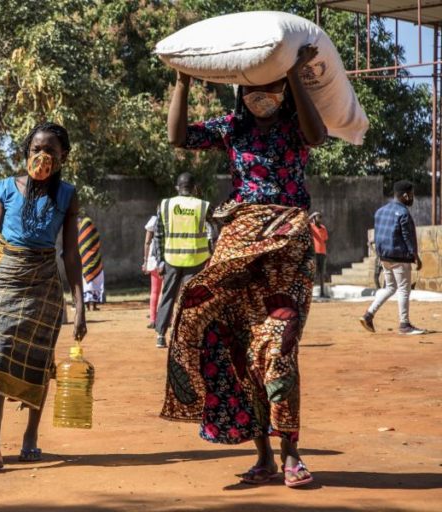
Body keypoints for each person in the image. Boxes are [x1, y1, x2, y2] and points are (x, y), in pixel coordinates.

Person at [161, 45, 327, 488]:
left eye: (270, 86)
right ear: (240, 91)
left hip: (286, 249)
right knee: (237, 346)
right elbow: (179, 137)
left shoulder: (296, 126)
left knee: (280, 347)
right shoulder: (232, 129)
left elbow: (317, 135)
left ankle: (292, 454)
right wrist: (183, 79)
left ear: (283, 88)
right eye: (253, 88)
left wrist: (292, 74)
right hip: (239, 245)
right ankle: (264, 457)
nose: (261, 96)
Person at [0, 122, 87, 470]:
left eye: (51, 152)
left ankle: (30, 435)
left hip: (44, 284)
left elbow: (71, 254)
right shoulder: (5, 188)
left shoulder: (67, 195)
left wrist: (79, 305)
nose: (42, 157)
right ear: (26, 152)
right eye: (36, 150)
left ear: (63, 158)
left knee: (39, 360)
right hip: (5, 279)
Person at [153, 172, 212, 349]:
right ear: (194, 188)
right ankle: (188, 336)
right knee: (191, 298)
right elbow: (215, 229)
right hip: (196, 259)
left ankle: (161, 335)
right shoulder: (202, 206)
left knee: (168, 295)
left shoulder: (166, 205)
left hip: (171, 259)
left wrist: (159, 260)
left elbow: (158, 234)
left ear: (177, 187)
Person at [360, 181, 426, 335]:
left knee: (390, 288)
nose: (412, 198)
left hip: (384, 257)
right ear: (404, 195)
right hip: (400, 257)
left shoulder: (380, 211)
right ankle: (404, 325)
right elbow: (407, 236)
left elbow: (378, 235)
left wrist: (379, 255)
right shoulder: (403, 213)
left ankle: (368, 315)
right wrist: (415, 256)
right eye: (411, 194)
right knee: (404, 289)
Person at [78, 214, 105, 311]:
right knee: (94, 283)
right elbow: (98, 241)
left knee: (87, 284)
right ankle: (93, 305)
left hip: (85, 262)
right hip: (95, 260)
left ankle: (88, 306)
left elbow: (80, 247)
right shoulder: (94, 232)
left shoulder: (80, 234)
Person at [143, 215, 162, 329]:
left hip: (154, 260)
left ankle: (153, 319)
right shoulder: (170, 218)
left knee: (154, 291)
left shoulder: (153, 220)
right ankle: (165, 319)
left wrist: (145, 261)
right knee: (165, 292)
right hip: (167, 259)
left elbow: (147, 242)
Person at [309, 212, 329, 298]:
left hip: (323, 253)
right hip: (315, 253)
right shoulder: (311, 227)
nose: (320, 218)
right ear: (314, 218)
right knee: (314, 273)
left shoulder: (323, 228)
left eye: (321, 217)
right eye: (318, 217)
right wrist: (311, 216)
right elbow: (305, 222)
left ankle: (322, 292)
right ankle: (310, 293)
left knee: (322, 273)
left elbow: (325, 239)